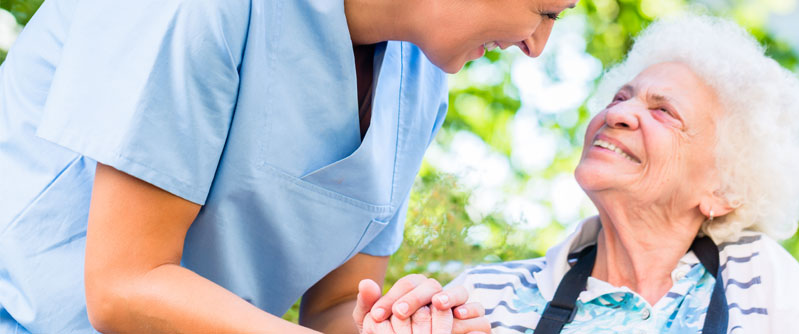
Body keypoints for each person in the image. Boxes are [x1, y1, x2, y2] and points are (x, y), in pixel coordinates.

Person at [0, 0, 577, 332]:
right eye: (545, 9)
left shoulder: (420, 84)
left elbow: (332, 306)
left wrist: (398, 325)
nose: (537, 46)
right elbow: (123, 285)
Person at [444, 15, 799, 333]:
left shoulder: (755, 278)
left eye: (663, 111)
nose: (618, 113)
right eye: (620, 97)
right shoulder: (486, 299)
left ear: (723, 189)